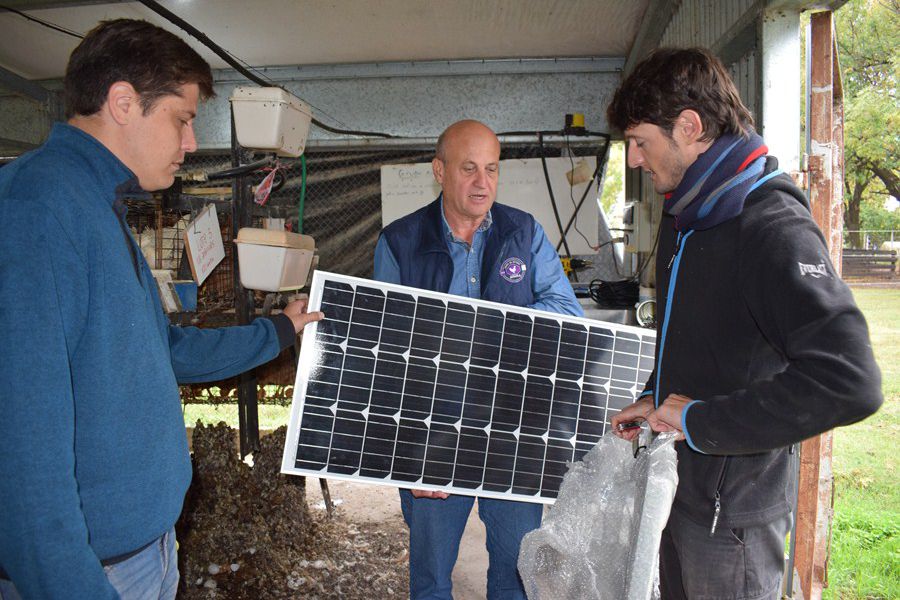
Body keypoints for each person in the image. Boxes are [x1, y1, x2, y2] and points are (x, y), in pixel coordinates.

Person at [0, 19, 323, 600]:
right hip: (92, 573)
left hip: (146, 551)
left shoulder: (102, 206)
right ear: (123, 102)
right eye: (182, 118)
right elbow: (20, 465)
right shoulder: (37, 211)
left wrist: (280, 328)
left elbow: (165, 351)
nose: (191, 142)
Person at [607, 48, 882, 600]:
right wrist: (655, 395)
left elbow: (850, 381)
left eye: (641, 141)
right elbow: (705, 336)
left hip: (733, 524)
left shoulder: (771, 226)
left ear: (689, 127)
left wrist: (704, 422)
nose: (634, 159)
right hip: (680, 489)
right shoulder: (688, 213)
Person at [374, 119, 583, 599]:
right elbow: (386, 355)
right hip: (435, 433)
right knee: (430, 578)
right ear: (439, 171)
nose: (482, 182)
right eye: (469, 168)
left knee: (515, 572)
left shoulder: (522, 232)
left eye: (491, 169)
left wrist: (490, 326)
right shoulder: (400, 243)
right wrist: (405, 455)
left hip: (513, 430)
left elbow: (565, 310)